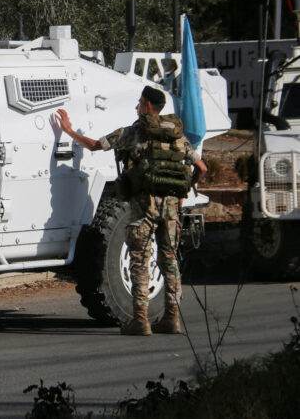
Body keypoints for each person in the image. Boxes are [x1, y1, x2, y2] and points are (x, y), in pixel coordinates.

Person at [55, 86, 207, 336]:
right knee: (169, 260)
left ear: (148, 106)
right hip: (170, 207)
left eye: (139, 103)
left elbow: (95, 145)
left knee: (139, 260)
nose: (137, 107)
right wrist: (183, 193)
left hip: (143, 206)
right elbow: (201, 168)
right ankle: (172, 318)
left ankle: (140, 320)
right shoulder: (178, 137)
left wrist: (69, 130)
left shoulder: (133, 133)